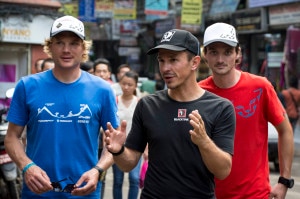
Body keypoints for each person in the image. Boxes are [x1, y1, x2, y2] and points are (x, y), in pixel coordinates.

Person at [104, 29, 236, 198]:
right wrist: (118, 151)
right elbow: (128, 164)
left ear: (194, 62)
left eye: (173, 60)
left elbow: (223, 171)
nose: (165, 68)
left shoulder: (220, 107)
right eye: (161, 60)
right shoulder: (147, 105)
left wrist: (204, 142)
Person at [4, 15, 119, 199]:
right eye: (59, 42)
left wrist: (98, 170)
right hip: (37, 192)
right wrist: (27, 166)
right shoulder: (27, 86)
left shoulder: (102, 90)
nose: (66, 49)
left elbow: (113, 144)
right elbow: (12, 138)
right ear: (49, 47)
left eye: (74, 43)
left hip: (84, 192)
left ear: (83, 48)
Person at [198, 22, 294, 199]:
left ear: (238, 54)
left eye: (227, 52)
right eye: (214, 52)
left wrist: (284, 181)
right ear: (205, 55)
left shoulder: (260, 87)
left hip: (254, 194)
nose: (220, 59)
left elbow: (285, 130)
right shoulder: (197, 93)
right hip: (208, 193)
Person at [112, 70, 141, 199]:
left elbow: (144, 127)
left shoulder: (140, 102)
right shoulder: (115, 101)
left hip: (135, 146)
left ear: (135, 86)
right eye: (124, 84)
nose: (126, 87)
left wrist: (146, 149)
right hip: (119, 146)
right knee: (118, 180)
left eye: (130, 84)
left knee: (134, 179)